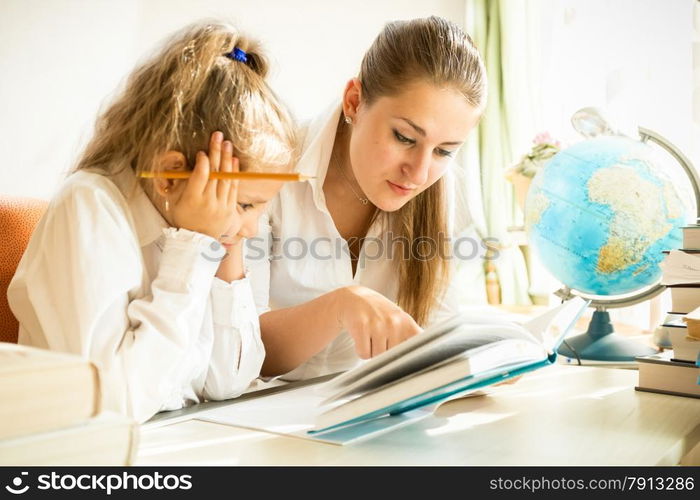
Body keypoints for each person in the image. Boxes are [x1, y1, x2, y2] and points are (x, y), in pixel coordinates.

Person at [7, 22, 296, 422]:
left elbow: (229, 380)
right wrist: (192, 248)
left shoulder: (200, 227)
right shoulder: (90, 208)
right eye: (245, 205)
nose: (251, 229)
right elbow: (115, 405)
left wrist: (226, 248)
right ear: (170, 176)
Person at [250, 16, 487, 379]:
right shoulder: (270, 169)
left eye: (444, 151)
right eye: (405, 138)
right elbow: (243, 350)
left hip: (372, 412)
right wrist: (340, 306)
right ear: (354, 102)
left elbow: (440, 336)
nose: (420, 173)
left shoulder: (445, 191)